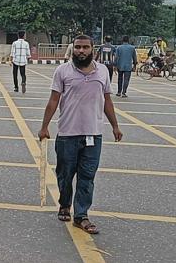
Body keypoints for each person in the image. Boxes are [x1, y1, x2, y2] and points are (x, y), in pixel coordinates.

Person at [39, 35, 123, 235]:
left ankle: (81, 215)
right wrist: (44, 127)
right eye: (78, 47)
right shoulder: (63, 71)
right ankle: (65, 204)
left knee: (87, 176)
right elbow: (53, 101)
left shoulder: (102, 71)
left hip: (94, 134)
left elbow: (107, 101)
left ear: (93, 49)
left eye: (85, 47)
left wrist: (115, 126)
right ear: (73, 48)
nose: (81, 51)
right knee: (65, 175)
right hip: (67, 134)